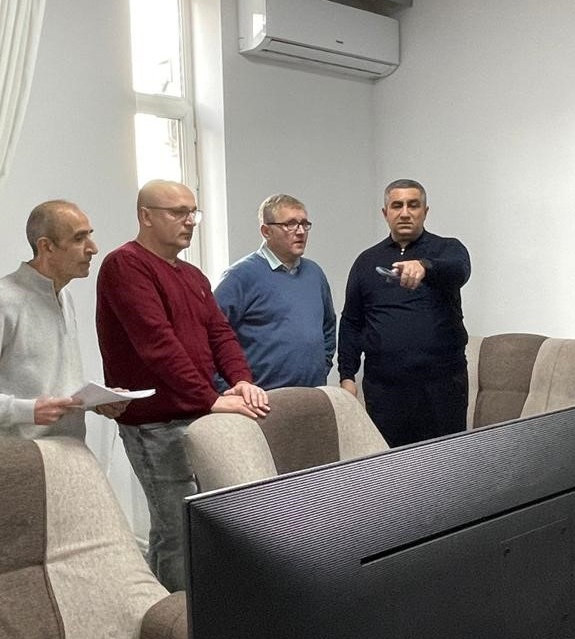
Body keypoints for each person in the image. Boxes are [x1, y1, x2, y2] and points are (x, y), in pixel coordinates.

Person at [96, 179, 269, 592]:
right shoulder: (125, 266)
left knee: (202, 525)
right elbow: (157, 344)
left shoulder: (192, 275)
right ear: (146, 216)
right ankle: (172, 618)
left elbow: (220, 333)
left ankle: (198, 608)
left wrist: (241, 380)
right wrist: (210, 398)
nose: (189, 221)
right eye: (178, 212)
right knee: (176, 529)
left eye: (193, 212)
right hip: (154, 423)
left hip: (196, 416)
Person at [338, 179, 470, 448]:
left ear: (425, 211)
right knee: (392, 465)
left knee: (445, 462)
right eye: (397, 206)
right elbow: (352, 322)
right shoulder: (366, 261)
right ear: (385, 213)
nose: (405, 213)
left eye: (413, 205)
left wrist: (425, 266)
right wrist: (347, 376)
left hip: (442, 386)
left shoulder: (447, 249)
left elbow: (460, 270)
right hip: (384, 389)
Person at [0, 199, 100, 439]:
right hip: (19, 453)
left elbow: (55, 383)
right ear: (46, 246)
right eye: (79, 238)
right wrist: (25, 411)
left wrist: (96, 402)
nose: (93, 248)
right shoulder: (5, 300)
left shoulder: (64, 295)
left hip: (68, 447)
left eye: (90, 235)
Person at [214, 194, 336, 389]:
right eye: (290, 224)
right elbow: (210, 336)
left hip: (312, 394)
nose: (300, 232)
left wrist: (323, 364)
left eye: (304, 224)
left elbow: (328, 327)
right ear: (266, 231)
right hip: (262, 399)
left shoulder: (314, 273)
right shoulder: (240, 276)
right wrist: (228, 389)